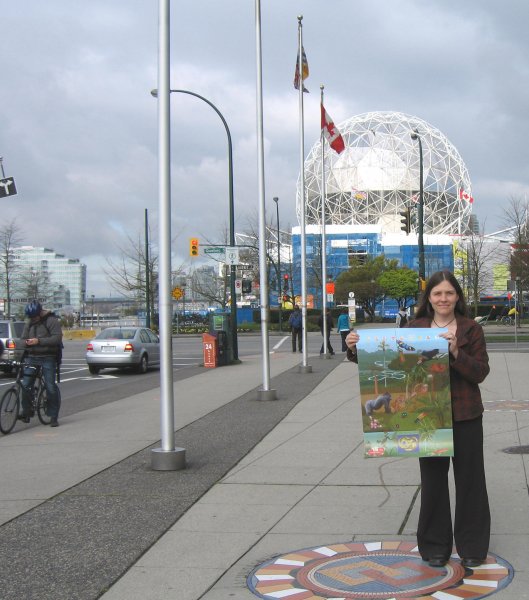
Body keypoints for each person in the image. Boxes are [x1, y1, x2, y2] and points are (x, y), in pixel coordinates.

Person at [345, 270, 490, 570]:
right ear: (429, 298)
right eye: (438, 294)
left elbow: (480, 372)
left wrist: (454, 352)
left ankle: (472, 546)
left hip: (465, 416)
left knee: (470, 481)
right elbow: (392, 358)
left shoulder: (470, 329)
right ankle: (436, 546)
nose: (443, 298)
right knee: (433, 482)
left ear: (458, 296)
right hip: (429, 418)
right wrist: (355, 348)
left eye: (449, 293)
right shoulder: (416, 327)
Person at [18, 300, 63, 427]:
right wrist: (26, 343)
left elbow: (57, 338)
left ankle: (53, 415)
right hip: (32, 357)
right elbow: (22, 340)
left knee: (50, 386)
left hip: (48, 357)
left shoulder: (51, 321)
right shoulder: (29, 323)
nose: (32, 319)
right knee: (26, 384)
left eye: (34, 317)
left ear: (40, 313)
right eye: (30, 317)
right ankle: (26, 411)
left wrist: (38, 341)